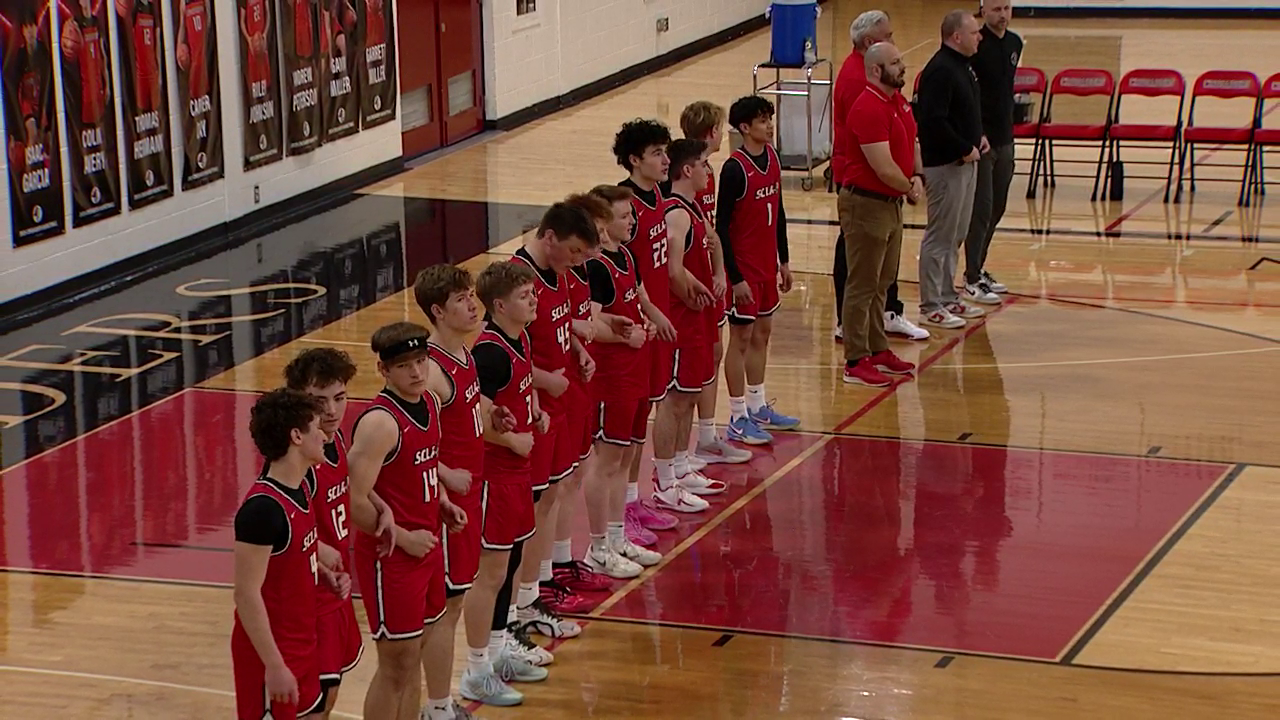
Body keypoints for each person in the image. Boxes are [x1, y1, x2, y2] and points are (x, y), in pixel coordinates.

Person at [415, 266, 524, 712]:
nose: (472, 305)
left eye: (470, 295)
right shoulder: (429, 371)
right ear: (438, 311)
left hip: (472, 488)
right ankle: (439, 704)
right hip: (447, 502)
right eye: (460, 299)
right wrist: (443, 473)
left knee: (463, 596)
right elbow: (412, 438)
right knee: (445, 607)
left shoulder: (463, 353)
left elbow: (466, 402)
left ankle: (469, 679)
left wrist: (490, 412)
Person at [347, 322, 468, 720]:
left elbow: (423, 467)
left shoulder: (429, 402)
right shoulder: (380, 423)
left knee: (416, 654)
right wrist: (402, 538)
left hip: (426, 545)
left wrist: (442, 502)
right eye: (404, 366)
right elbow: (352, 500)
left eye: (421, 361)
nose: (416, 372)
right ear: (383, 370)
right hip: (391, 557)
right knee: (396, 664)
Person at [509, 203, 602, 639]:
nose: (578, 261)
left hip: (559, 405)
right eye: (575, 251)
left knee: (549, 499)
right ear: (549, 239)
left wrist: (578, 351)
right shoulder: (517, 280)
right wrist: (545, 379)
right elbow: (500, 353)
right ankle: (521, 601)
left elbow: (560, 328)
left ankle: (536, 587)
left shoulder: (558, 272)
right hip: (533, 412)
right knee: (530, 512)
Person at [283, 349, 391, 719]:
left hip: (337, 592)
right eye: (319, 401)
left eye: (340, 398)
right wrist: (319, 549)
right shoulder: (295, 459)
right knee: (312, 705)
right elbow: (281, 523)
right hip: (308, 598)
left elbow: (345, 482)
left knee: (329, 696)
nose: (331, 410)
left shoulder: (335, 438)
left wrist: (379, 503)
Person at [468, 260, 555, 682]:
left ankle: (500, 646)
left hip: (517, 472)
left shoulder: (519, 338)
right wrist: (511, 441)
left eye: (533, 292)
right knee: (491, 573)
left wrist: (534, 410)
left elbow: (516, 391)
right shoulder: (489, 353)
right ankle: (477, 665)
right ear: (499, 306)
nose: (534, 300)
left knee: (511, 561)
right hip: (495, 474)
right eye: (525, 296)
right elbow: (475, 418)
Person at [830, 10, 930, 344]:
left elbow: (908, 133)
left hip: (890, 191)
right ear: (870, 43)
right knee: (861, 269)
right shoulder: (860, 85)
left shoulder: (888, 88)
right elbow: (877, 157)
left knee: (879, 272)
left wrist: (916, 173)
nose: (895, 43)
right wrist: (909, 186)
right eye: (889, 37)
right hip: (865, 188)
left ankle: (879, 333)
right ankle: (854, 338)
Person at [230, 388, 330, 720]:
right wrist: (274, 665)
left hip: (304, 646)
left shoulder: (302, 487)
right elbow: (246, 594)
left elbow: (287, 564)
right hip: (271, 656)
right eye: (317, 428)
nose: (324, 436)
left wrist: (320, 571)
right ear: (296, 436)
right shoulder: (263, 510)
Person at [579, 184, 663, 577]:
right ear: (602, 222)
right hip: (611, 377)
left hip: (636, 371)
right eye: (624, 216)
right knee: (607, 461)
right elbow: (590, 324)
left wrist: (650, 321)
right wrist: (625, 336)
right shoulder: (596, 268)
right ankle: (598, 547)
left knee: (627, 456)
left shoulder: (627, 255)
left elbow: (635, 303)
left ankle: (616, 536)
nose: (632, 221)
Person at [611, 119, 681, 546]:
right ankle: (619, 514)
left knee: (641, 422)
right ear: (635, 160)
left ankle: (634, 499)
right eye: (657, 153)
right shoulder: (622, 206)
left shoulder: (659, 194)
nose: (665, 160)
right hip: (632, 331)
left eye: (665, 152)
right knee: (624, 430)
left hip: (655, 323)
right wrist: (643, 315)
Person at [837, 43, 922, 388]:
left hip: (891, 203)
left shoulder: (898, 101)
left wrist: (918, 175)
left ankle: (877, 347)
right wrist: (910, 187)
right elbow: (882, 167)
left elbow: (913, 141)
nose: (902, 67)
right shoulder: (867, 107)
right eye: (895, 63)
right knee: (862, 284)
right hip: (866, 204)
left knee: (882, 282)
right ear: (875, 70)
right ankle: (855, 360)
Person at [675, 101, 753, 467]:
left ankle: (707, 434)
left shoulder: (709, 172)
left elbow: (712, 230)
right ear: (711, 132)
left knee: (713, 354)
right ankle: (690, 445)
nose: (724, 134)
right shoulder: (681, 174)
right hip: (691, 280)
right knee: (697, 362)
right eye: (720, 128)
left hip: (710, 276)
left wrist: (721, 270)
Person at [716, 96, 798, 446]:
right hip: (745, 269)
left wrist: (784, 260)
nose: (769, 125)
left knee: (763, 333)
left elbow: (778, 211)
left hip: (767, 265)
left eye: (769, 119)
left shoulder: (773, 158)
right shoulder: (734, 169)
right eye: (762, 120)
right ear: (745, 127)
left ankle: (757, 405)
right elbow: (721, 228)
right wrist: (735, 278)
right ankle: (737, 416)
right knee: (741, 338)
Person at [660, 138, 728, 509]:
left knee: (688, 395)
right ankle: (665, 480)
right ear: (687, 170)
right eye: (704, 164)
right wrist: (690, 294)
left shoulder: (694, 209)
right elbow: (672, 270)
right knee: (675, 400)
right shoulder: (676, 213)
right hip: (681, 318)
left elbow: (713, 242)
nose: (708, 170)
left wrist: (718, 273)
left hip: (697, 316)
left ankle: (682, 465)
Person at [915, 9, 985, 330]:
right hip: (946, 165)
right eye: (973, 33)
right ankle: (931, 304)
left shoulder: (963, 66)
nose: (979, 37)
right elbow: (932, 121)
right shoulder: (940, 70)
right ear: (956, 37)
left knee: (956, 234)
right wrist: (963, 147)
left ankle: (946, 294)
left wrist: (978, 137)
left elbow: (963, 112)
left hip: (966, 162)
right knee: (940, 235)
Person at [964, 0, 1020, 303]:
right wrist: (976, 133)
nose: (1003, 15)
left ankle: (979, 267)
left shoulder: (1014, 43)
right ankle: (971, 277)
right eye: (997, 9)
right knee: (982, 209)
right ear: (983, 11)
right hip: (982, 140)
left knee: (998, 206)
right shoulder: (976, 45)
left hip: (1005, 137)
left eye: (1007, 8)